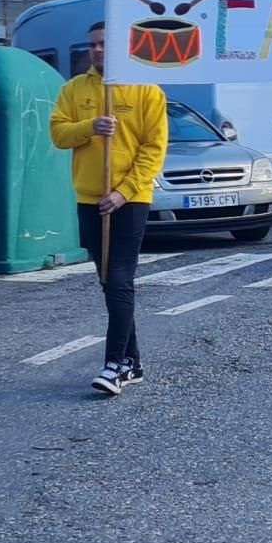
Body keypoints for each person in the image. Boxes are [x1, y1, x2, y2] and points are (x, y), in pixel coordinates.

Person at [49, 21, 169, 396]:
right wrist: (90, 126)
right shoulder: (74, 89)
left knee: (119, 279)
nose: (97, 50)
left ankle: (114, 364)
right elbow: (58, 134)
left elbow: (153, 150)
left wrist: (124, 191)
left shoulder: (147, 90)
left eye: (104, 44)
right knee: (108, 282)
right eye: (93, 45)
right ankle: (133, 362)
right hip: (89, 198)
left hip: (129, 200)